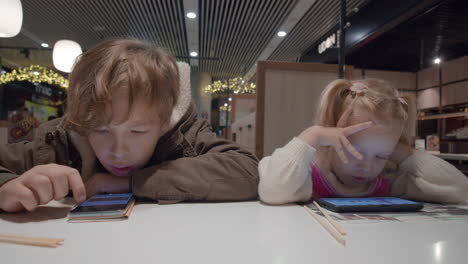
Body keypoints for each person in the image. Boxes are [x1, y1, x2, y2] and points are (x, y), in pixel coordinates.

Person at [0, 39, 259, 213]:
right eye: (100, 130)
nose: (119, 151)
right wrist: (5, 186)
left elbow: (249, 171)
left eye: (137, 131)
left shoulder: (186, 135)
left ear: (163, 119)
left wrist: (130, 182)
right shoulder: (62, 137)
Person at [258, 79, 468, 204]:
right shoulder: (306, 176)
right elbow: (273, 191)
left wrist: (402, 151)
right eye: (353, 150)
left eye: (380, 155)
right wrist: (312, 136)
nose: (366, 166)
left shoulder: (389, 182)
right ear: (330, 137)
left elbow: (461, 190)